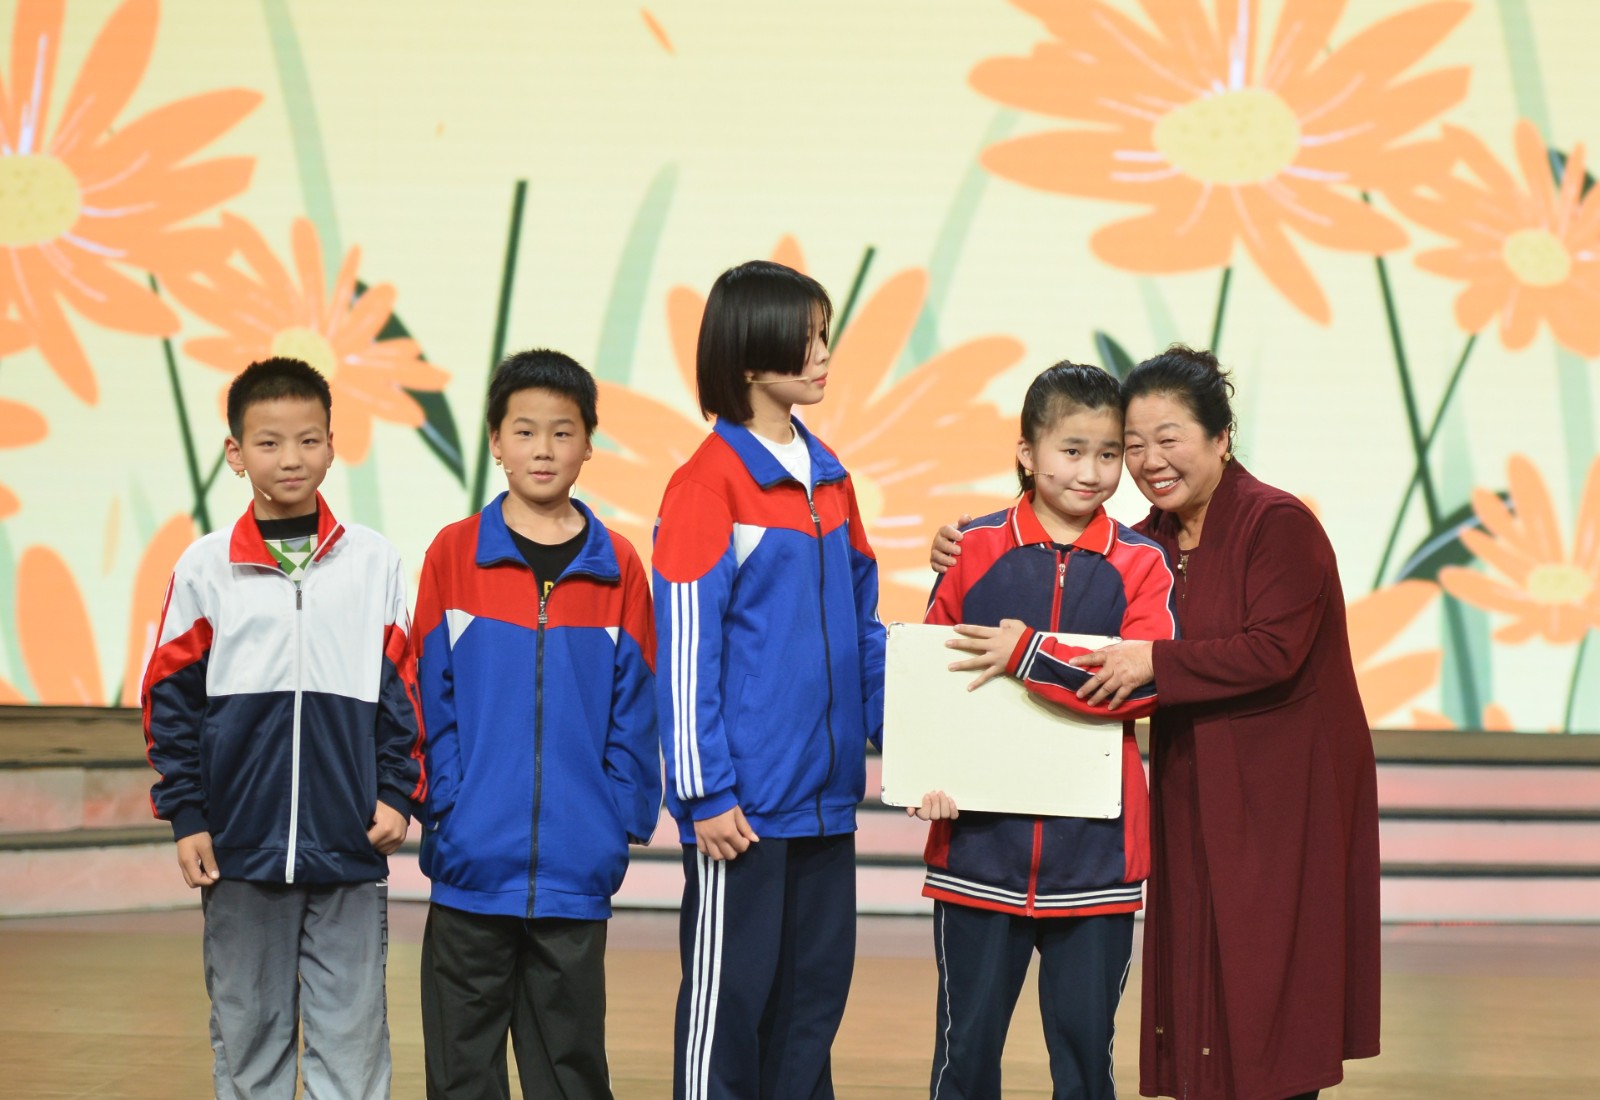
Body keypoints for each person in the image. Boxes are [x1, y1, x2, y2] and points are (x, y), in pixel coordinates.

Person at [931, 345, 1380, 1100]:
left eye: (1165, 439)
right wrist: (963, 543)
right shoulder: (1153, 541)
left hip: (1280, 796)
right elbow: (1050, 576)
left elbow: (1272, 650)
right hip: (1192, 785)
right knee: (1203, 975)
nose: (1146, 461)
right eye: (1132, 444)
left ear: (1221, 437)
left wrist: (1151, 664)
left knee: (1271, 979)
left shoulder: (1277, 524)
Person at [141, 356, 424, 1099]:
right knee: (248, 1038)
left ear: (332, 446)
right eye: (268, 443)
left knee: (352, 1046)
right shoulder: (205, 568)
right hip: (239, 850)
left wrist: (397, 793)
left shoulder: (373, 562)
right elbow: (170, 700)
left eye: (308, 440)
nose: (290, 458)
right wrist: (187, 815)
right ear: (235, 453)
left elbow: (403, 691)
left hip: (350, 846)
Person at [652, 259, 886, 1100]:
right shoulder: (705, 485)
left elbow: (863, 630)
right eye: (807, 339)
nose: (824, 355)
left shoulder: (832, 478)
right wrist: (705, 792)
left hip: (826, 803)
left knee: (808, 1012)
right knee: (728, 1013)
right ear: (750, 357)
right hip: (743, 812)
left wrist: (906, 744)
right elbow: (685, 650)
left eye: (824, 335)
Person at [911, 362, 1178, 1100]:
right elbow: (931, 679)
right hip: (978, 854)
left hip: (1096, 861)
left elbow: (1142, 684)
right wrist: (924, 778)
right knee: (964, 1059)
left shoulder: (1144, 563)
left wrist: (1027, 654)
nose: (1092, 472)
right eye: (1072, 450)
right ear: (1027, 452)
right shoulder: (970, 547)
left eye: (1109, 453)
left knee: (1086, 1064)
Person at [412, 349, 660, 1100]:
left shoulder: (620, 567)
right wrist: (448, 802)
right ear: (495, 441)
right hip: (470, 865)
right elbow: (427, 695)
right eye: (524, 431)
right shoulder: (453, 555)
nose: (543, 449)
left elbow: (635, 708)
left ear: (588, 445)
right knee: (463, 1074)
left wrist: (615, 817)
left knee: (571, 1073)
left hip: (575, 870)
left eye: (562, 432)